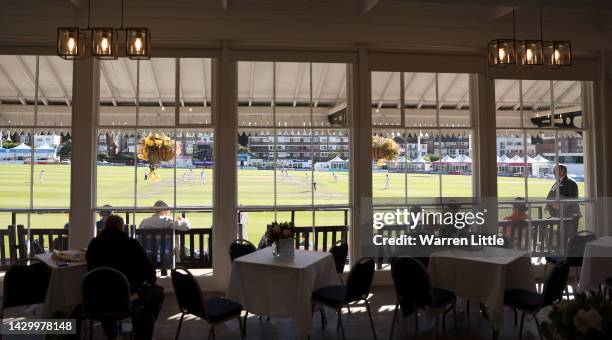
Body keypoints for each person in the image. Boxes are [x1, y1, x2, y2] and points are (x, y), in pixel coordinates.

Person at [84, 214, 164, 340]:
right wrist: (152, 282)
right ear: (121, 227)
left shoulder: (94, 244)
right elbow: (148, 268)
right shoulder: (131, 244)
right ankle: (142, 332)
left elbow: (90, 263)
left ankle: (110, 330)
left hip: (99, 295)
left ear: (105, 227)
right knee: (157, 293)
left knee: (107, 293)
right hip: (126, 294)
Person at [139, 200, 191, 270]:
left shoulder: (144, 221)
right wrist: (183, 220)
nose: (169, 211)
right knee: (180, 246)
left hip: (148, 257)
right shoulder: (167, 220)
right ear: (163, 210)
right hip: (166, 258)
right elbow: (186, 226)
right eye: (168, 209)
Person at [545, 164, 581, 241]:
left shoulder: (571, 183)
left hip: (571, 215)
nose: (553, 172)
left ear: (562, 171)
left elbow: (573, 199)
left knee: (571, 237)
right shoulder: (556, 183)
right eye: (554, 170)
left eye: (555, 170)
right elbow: (551, 195)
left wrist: (560, 205)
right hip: (561, 215)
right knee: (562, 237)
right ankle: (563, 252)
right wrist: (548, 204)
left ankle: (570, 252)